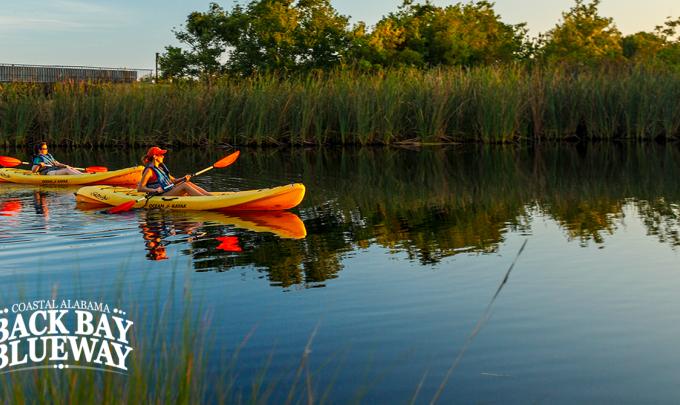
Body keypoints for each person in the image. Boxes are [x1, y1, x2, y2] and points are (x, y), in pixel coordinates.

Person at [137, 146, 211, 196]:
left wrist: (183, 178)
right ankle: (205, 199)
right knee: (184, 185)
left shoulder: (160, 168)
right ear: (155, 156)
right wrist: (155, 190)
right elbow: (140, 188)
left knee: (187, 182)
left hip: (168, 190)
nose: (163, 156)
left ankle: (209, 196)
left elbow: (173, 181)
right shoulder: (149, 171)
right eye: (161, 155)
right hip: (160, 194)